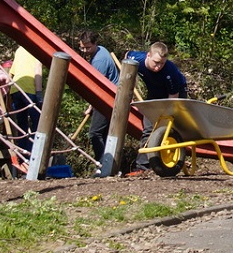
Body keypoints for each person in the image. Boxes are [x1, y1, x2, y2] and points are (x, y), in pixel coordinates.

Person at [124, 41, 188, 172]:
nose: (158, 67)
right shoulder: (137, 59)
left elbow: (173, 96)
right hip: (154, 93)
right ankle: (142, 168)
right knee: (148, 129)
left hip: (174, 95)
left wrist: (164, 117)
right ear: (148, 55)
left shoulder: (170, 72)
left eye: (162, 63)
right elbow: (126, 56)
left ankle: (168, 162)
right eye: (156, 62)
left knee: (163, 129)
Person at [78, 30, 120, 165]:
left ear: (96, 43)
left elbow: (97, 87)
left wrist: (90, 107)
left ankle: (103, 164)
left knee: (95, 133)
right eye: (82, 47)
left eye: (87, 47)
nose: (84, 50)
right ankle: (108, 164)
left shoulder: (99, 60)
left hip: (108, 98)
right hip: (109, 96)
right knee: (104, 134)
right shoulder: (100, 50)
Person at [7, 46, 44, 155]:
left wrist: (7, 92)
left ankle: (22, 150)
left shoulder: (19, 49)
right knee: (37, 122)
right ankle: (31, 152)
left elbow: (11, 73)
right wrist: (39, 93)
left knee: (22, 123)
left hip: (16, 89)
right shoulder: (37, 49)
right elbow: (38, 70)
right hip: (29, 89)